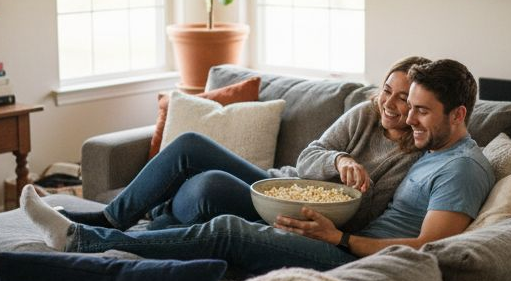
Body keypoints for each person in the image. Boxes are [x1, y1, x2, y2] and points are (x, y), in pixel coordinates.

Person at [25, 58, 495, 276]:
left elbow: (429, 250)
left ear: (457, 115)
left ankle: (100, 239)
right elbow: (314, 152)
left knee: (216, 207)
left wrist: (342, 238)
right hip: (299, 198)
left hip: (341, 243)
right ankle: (104, 225)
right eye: (397, 100)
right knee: (192, 150)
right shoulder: (427, 144)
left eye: (418, 109)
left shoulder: (455, 166)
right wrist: (340, 159)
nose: (403, 114)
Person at [58, 56, 429, 235]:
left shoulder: (413, 157)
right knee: (189, 145)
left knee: (206, 186)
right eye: (386, 91)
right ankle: (110, 219)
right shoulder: (364, 114)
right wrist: (340, 159)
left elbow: (365, 217)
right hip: (277, 185)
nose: (389, 104)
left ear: (417, 105)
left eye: (402, 99)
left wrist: (350, 191)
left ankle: (157, 218)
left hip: (302, 216)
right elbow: (307, 159)